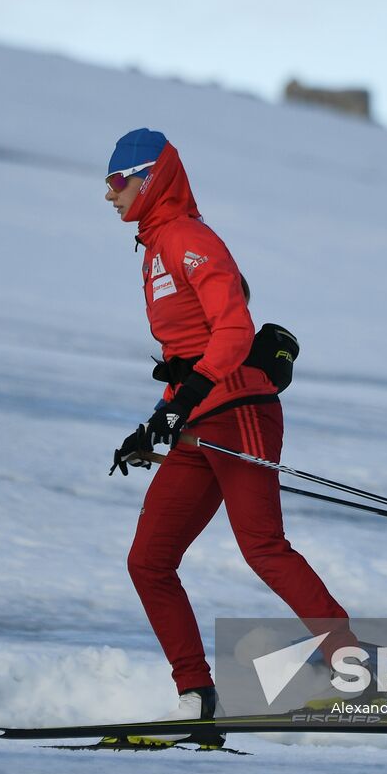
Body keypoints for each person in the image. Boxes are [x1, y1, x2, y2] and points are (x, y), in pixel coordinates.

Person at [104, 128, 362, 733]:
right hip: (199, 417)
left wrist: (185, 399)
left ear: (151, 178)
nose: (109, 196)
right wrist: (157, 422)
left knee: (262, 545)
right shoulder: (155, 248)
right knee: (149, 560)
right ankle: (196, 695)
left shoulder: (190, 240)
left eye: (117, 182)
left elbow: (233, 332)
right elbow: (186, 352)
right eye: (106, 185)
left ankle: (355, 668)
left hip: (238, 409)